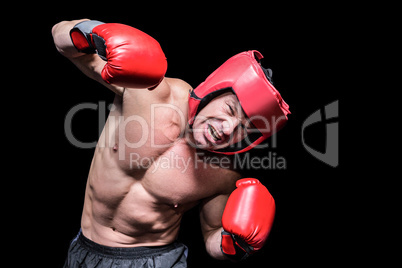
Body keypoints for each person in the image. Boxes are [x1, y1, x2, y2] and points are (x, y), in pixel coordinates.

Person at [52, 19, 290, 268]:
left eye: (244, 128)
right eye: (229, 109)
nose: (228, 129)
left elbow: (211, 234)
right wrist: (92, 32)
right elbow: (63, 42)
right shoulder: (150, 91)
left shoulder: (224, 174)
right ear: (213, 91)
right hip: (83, 248)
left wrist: (233, 245)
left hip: (154, 262)